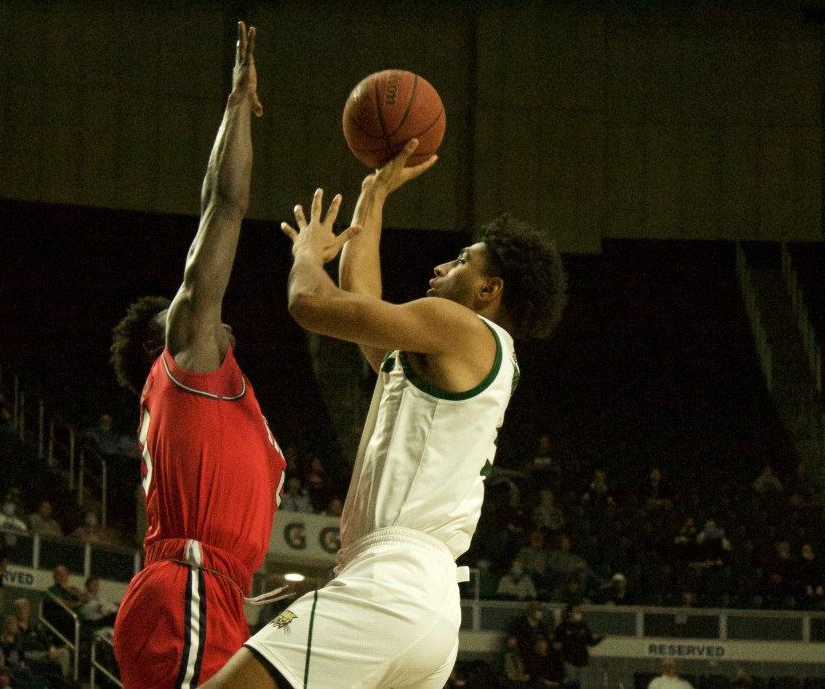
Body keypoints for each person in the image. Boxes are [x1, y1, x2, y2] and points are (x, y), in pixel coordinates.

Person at [205, 131, 566, 687]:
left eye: (462, 261)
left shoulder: (459, 327)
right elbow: (364, 307)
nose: (442, 266)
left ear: (488, 289)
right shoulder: (466, 357)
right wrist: (373, 196)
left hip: (392, 584)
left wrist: (307, 253)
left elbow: (311, 303)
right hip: (427, 605)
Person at [109, 21, 286, 689]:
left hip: (212, 598)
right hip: (187, 591)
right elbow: (225, 203)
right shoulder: (185, 360)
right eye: (179, 313)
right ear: (163, 344)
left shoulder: (233, 402)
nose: (200, 312)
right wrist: (237, 105)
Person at [553, 603, 603, 685]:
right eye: (576, 612)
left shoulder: (584, 626)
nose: (579, 614)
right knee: (571, 684)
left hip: (583, 661)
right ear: (569, 613)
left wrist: (600, 638)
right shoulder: (563, 627)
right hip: (569, 661)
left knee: (583, 684)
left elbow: (591, 642)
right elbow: (556, 644)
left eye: (580, 612)